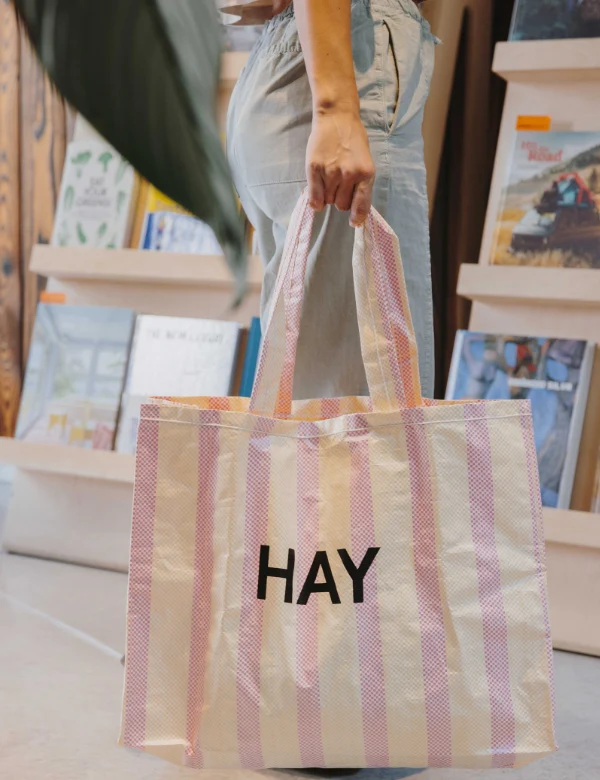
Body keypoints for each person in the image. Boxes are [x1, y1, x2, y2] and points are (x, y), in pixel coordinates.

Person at [226, 0, 438, 400]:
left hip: (288, 64)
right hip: (344, 67)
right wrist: (335, 110)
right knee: (362, 410)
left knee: (309, 403)